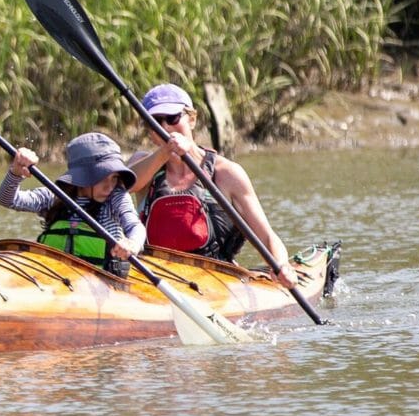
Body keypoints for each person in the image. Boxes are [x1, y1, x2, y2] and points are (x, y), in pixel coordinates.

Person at [126, 83, 296, 286]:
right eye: (155, 121)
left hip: (216, 280)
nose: (164, 127)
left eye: (172, 118)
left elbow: (267, 237)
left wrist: (282, 265)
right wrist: (164, 153)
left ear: (192, 119)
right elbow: (127, 185)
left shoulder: (227, 173)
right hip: (156, 277)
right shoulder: (143, 164)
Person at [0, 132, 147, 277]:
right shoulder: (55, 197)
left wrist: (132, 244)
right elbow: (8, 200)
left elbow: (135, 226)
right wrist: (16, 173)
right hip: (56, 278)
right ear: (81, 178)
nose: (109, 186)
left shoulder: (116, 197)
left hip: (102, 279)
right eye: (102, 178)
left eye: (114, 177)